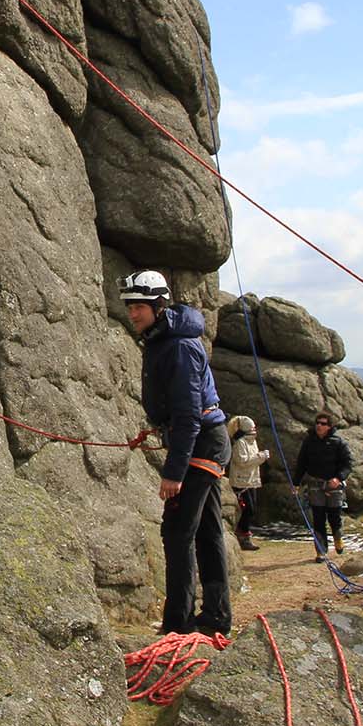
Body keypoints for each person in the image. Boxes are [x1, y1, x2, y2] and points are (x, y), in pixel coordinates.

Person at [119, 269, 232, 636]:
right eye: (130, 306)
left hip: (199, 442)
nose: (133, 313)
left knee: (178, 530)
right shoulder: (164, 338)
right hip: (205, 439)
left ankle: (178, 625)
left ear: (159, 305)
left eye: (139, 306)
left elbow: (187, 414)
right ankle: (215, 617)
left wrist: (174, 472)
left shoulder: (179, 346)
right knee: (207, 532)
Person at [293, 412, 353, 561]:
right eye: (317, 423)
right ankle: (321, 551)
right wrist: (296, 483)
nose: (319, 425)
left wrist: (339, 478)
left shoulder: (338, 443)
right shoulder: (308, 442)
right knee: (318, 519)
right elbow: (302, 464)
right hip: (315, 485)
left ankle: (338, 539)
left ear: (330, 426)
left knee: (334, 517)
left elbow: (348, 464)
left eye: (323, 423)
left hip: (334, 486)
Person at [226, 416, 270, 551]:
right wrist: (261, 457)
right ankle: (242, 535)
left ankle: (244, 534)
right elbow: (242, 461)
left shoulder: (252, 441)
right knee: (247, 508)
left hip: (250, 480)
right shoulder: (240, 442)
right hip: (241, 481)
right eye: (252, 427)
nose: (254, 429)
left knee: (251, 508)